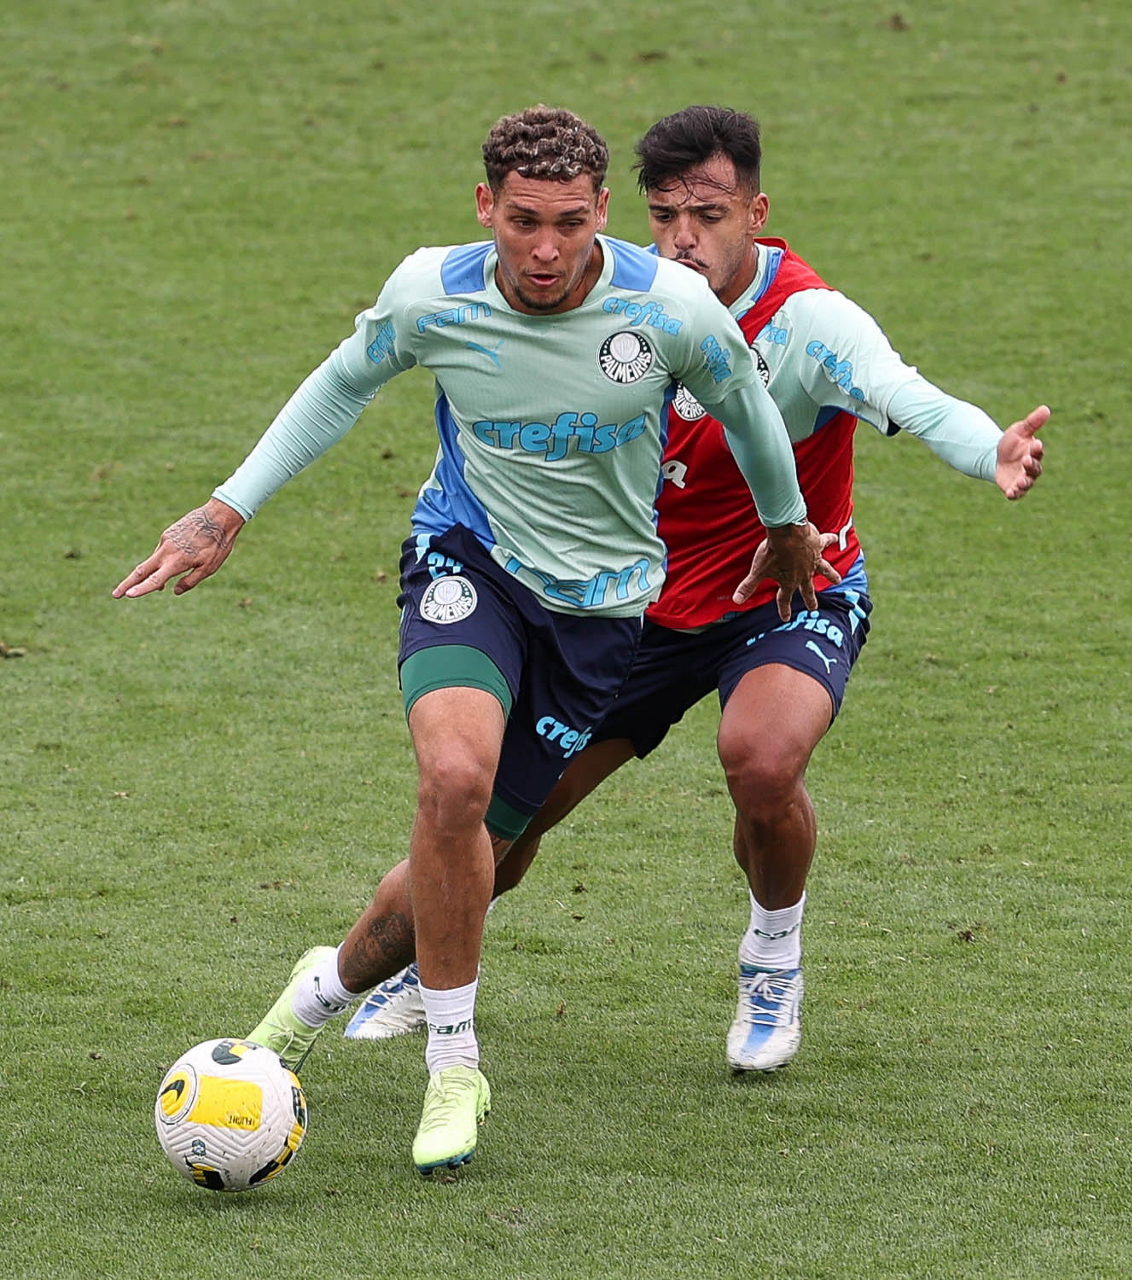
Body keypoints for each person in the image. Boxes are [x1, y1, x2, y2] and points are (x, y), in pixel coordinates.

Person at [112, 105, 833, 1175]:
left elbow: (748, 411)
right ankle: (455, 1063)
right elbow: (339, 385)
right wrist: (228, 508)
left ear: (604, 215)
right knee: (453, 777)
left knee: (478, 859)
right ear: (486, 206)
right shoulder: (431, 293)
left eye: (571, 224)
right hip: (470, 561)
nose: (546, 250)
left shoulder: (668, 308)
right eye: (524, 222)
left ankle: (314, 996)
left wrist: (785, 526)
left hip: (599, 614)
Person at [343, 105, 1048, 1072]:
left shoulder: (809, 321)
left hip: (783, 593)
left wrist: (989, 448)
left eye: (709, 216)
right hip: (629, 612)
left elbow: (908, 397)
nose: (683, 237)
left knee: (761, 761)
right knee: (509, 820)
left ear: (756, 213)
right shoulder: (627, 301)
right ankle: (430, 959)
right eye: (665, 214)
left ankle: (772, 956)